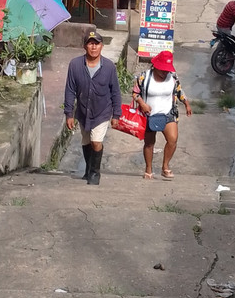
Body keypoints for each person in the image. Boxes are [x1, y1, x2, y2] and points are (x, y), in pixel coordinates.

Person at [63, 28, 122, 185]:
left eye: (96, 44)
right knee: (86, 141)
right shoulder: (75, 65)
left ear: (102, 46)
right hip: (83, 111)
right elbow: (70, 90)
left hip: (102, 111)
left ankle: (95, 173)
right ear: (85, 46)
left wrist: (116, 114)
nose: (93, 47)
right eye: (90, 44)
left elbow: (115, 91)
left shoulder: (109, 67)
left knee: (96, 141)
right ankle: (89, 169)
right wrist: (69, 113)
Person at [132, 50, 192, 180]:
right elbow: (135, 93)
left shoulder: (173, 77)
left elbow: (179, 90)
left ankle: (165, 166)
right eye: (162, 69)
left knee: (172, 139)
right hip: (149, 115)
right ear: (156, 66)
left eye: (167, 70)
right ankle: (148, 169)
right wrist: (142, 103)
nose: (165, 72)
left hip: (168, 114)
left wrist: (186, 103)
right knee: (149, 143)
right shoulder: (144, 76)